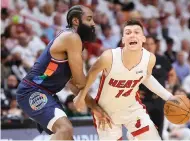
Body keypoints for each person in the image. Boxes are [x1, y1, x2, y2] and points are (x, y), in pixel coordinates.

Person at [16, 5, 110, 140]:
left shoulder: (74, 42)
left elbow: (74, 86)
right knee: (65, 129)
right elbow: (80, 82)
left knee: (67, 137)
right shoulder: (72, 38)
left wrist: (95, 108)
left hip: (46, 93)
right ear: (76, 21)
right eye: (89, 19)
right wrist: (97, 67)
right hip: (32, 91)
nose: (93, 24)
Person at [74, 19, 176, 140]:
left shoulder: (149, 59)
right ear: (123, 40)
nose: (132, 35)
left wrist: (169, 97)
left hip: (132, 108)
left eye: (136, 32)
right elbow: (91, 74)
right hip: (106, 112)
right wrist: (81, 96)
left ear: (143, 38)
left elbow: (147, 78)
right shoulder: (109, 57)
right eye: (128, 33)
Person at [139, 35, 177, 138]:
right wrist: (135, 91)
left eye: (152, 44)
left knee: (158, 129)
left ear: (156, 46)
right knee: (143, 130)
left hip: (159, 100)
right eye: (146, 44)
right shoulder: (138, 60)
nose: (149, 46)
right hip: (143, 100)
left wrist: (170, 87)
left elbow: (172, 73)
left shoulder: (162, 59)